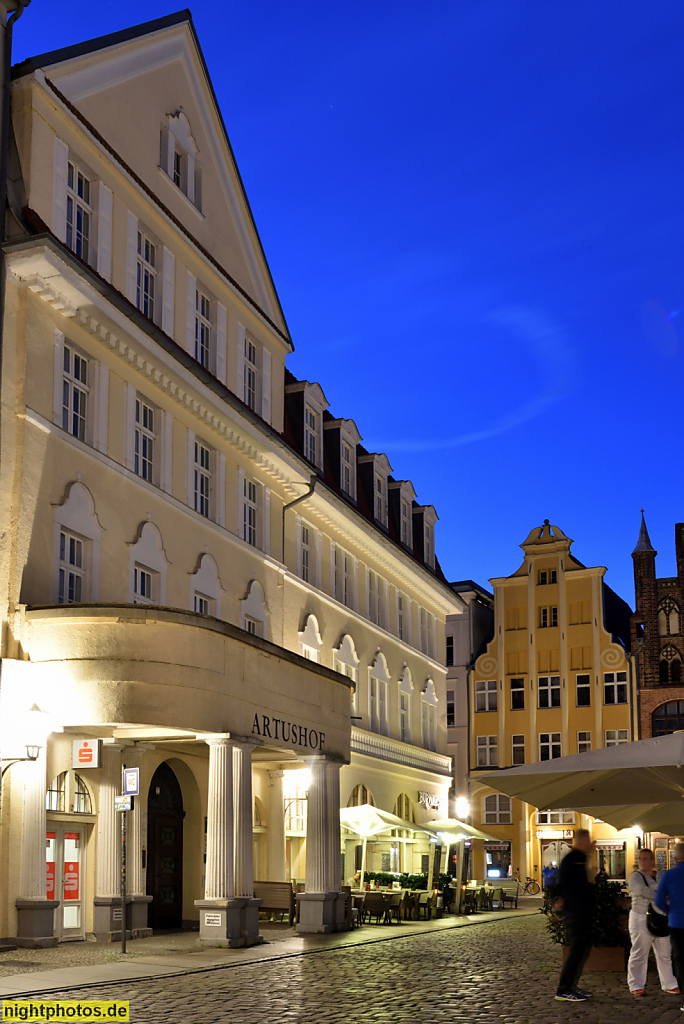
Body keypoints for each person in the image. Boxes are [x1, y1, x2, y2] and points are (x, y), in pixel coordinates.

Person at [627, 848, 679, 997]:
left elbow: (670, 888)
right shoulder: (635, 876)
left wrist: (659, 892)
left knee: (664, 953)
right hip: (641, 917)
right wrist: (662, 894)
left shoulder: (662, 874)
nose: (643, 861)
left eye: (646, 858)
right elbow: (642, 890)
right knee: (639, 952)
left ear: (652, 860)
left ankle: (669, 983)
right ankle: (635, 984)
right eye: (640, 858)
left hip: (662, 917)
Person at [554, 828, 595, 1003]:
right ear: (580, 840)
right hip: (574, 912)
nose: (590, 843)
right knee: (576, 951)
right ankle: (563, 989)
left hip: (582, 911)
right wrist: (560, 901)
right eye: (587, 840)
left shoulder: (581, 859)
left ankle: (571, 986)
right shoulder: (571, 860)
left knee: (582, 951)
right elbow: (562, 883)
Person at [655, 842, 684, 1010]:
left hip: (677, 923)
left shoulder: (668, 875)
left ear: (674, 858)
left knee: (680, 960)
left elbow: (659, 901)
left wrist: (670, 911)